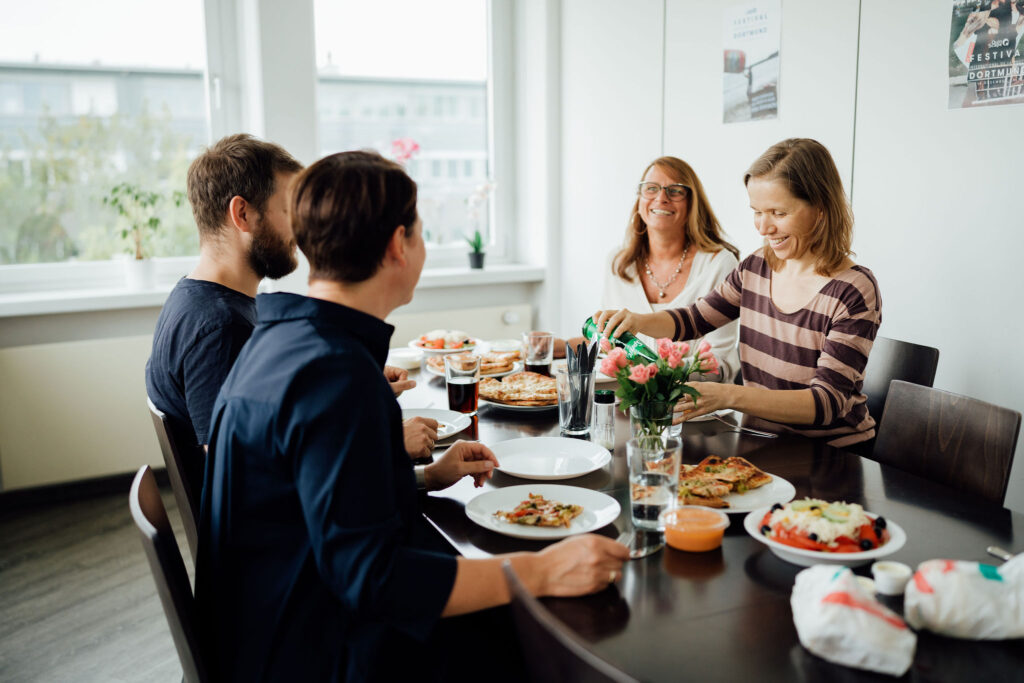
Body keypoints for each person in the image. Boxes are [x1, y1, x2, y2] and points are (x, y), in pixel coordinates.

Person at [195, 150, 628, 681]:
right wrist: (541, 570)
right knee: (536, 642)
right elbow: (375, 580)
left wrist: (420, 476)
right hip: (311, 650)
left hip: (266, 628)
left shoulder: (283, 336)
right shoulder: (335, 372)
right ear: (399, 245)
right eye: (420, 234)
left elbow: (313, 497)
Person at [145, 135, 438, 498]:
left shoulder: (197, 300)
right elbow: (247, 480)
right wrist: (387, 442)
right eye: (289, 212)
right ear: (243, 214)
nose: (302, 232)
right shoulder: (220, 328)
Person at [594, 139, 881, 448]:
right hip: (762, 443)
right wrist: (637, 321)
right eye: (757, 212)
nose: (763, 227)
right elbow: (694, 320)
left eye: (778, 212)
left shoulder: (853, 290)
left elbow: (826, 403)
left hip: (832, 457)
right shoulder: (756, 267)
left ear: (821, 209)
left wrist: (728, 395)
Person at [602, 156, 741, 382]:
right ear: (639, 200)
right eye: (651, 189)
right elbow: (608, 344)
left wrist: (654, 375)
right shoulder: (618, 263)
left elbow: (719, 364)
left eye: (675, 191)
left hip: (697, 411)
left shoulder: (720, 264)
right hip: (626, 404)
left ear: (692, 203)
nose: (661, 198)